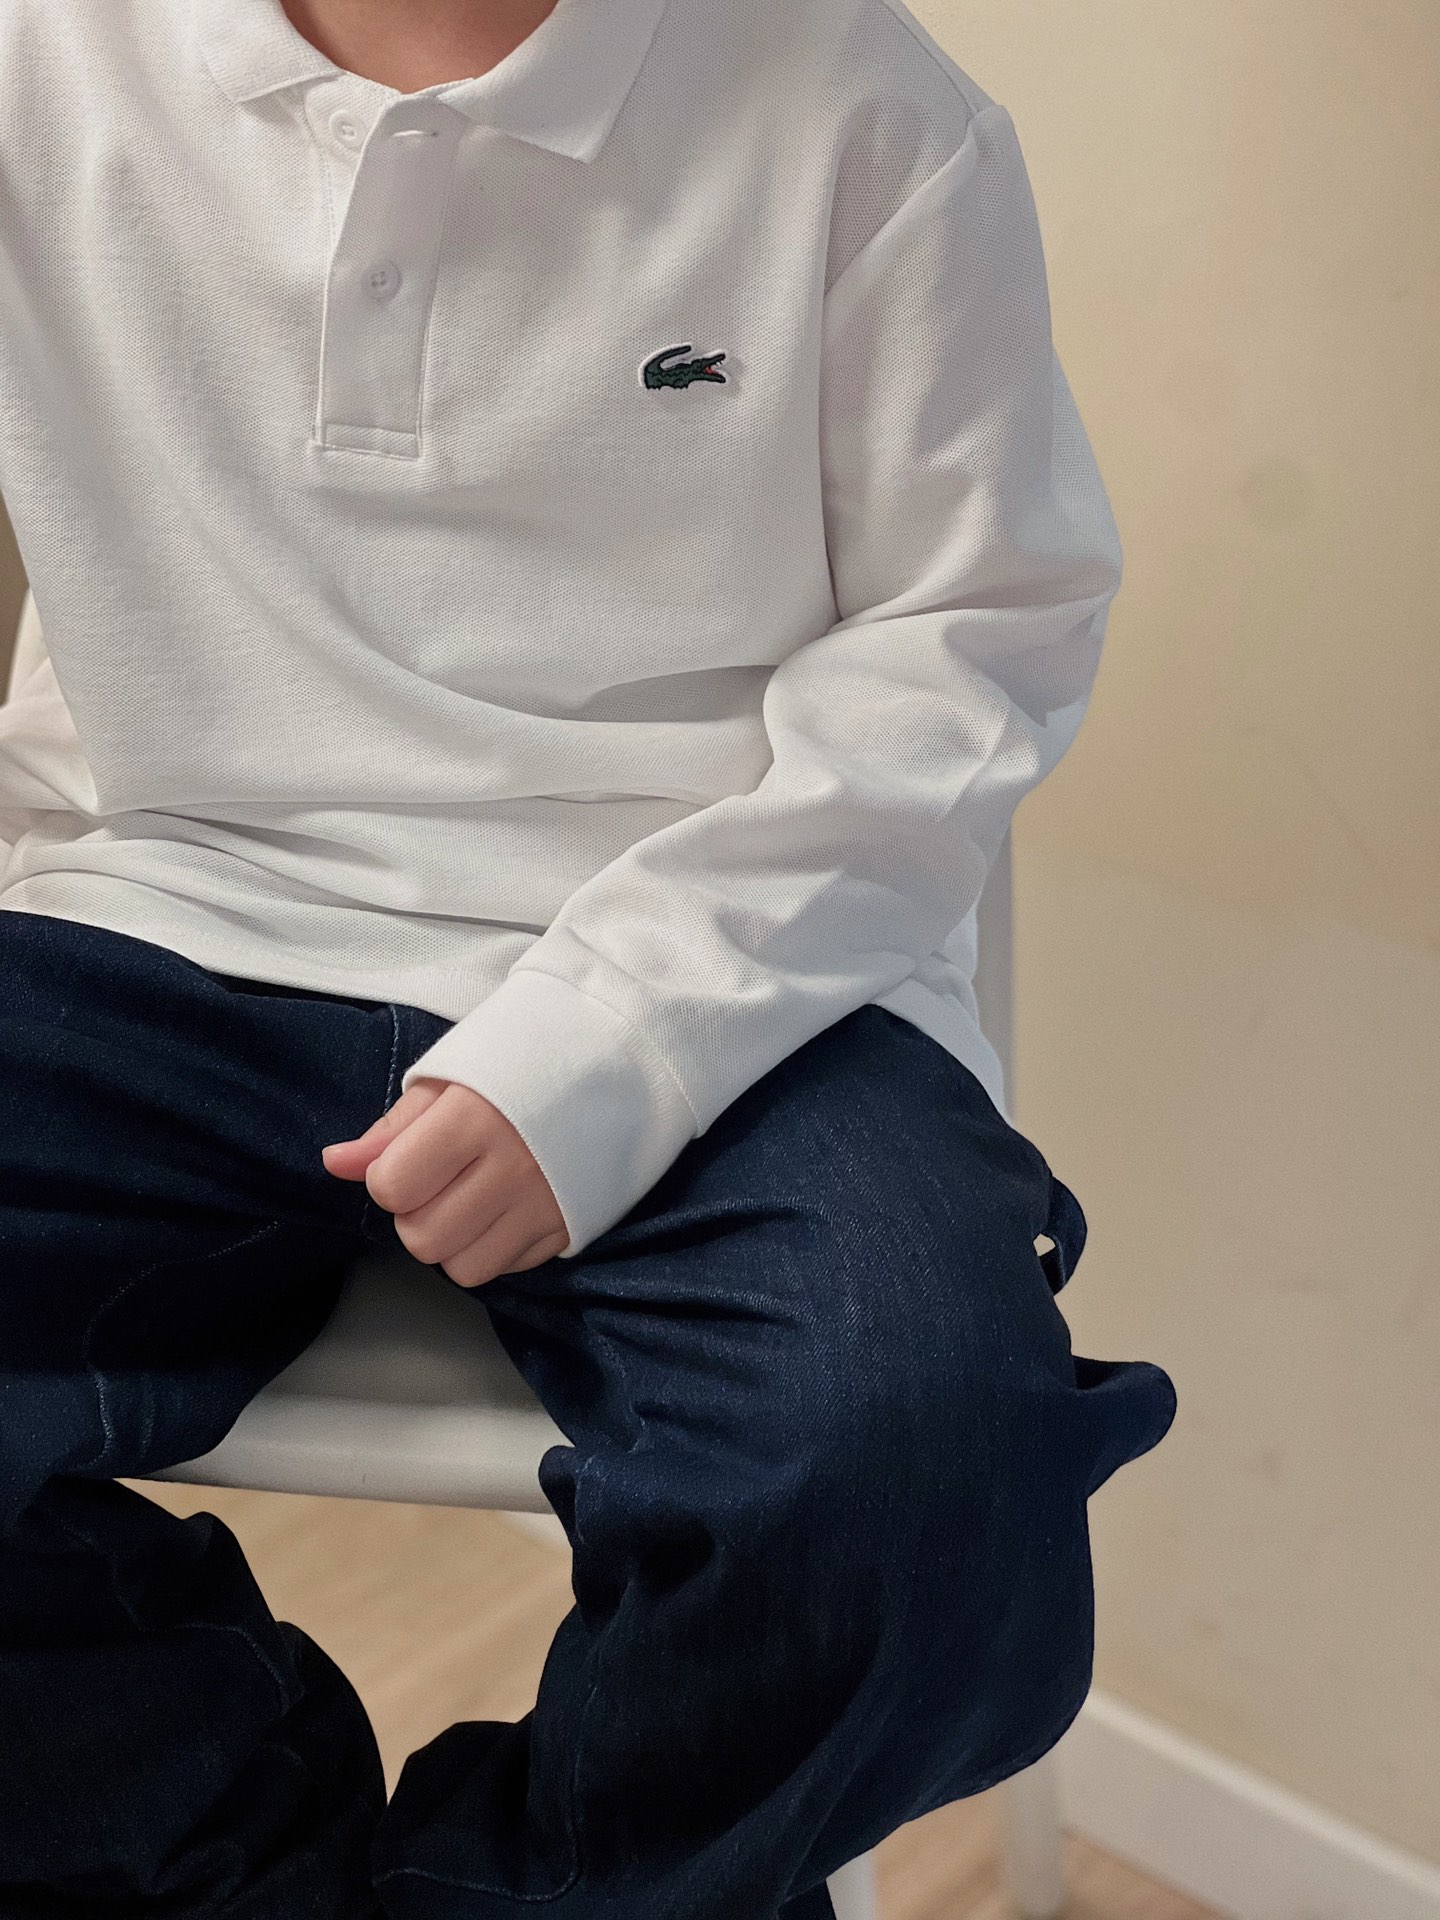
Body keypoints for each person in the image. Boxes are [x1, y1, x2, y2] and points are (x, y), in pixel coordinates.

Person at [0, 0, 1179, 1914]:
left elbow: (971, 646)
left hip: (726, 955)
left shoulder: (867, 114)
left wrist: (616, 1039)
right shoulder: (40, 56)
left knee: (925, 1479)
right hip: (167, 902)